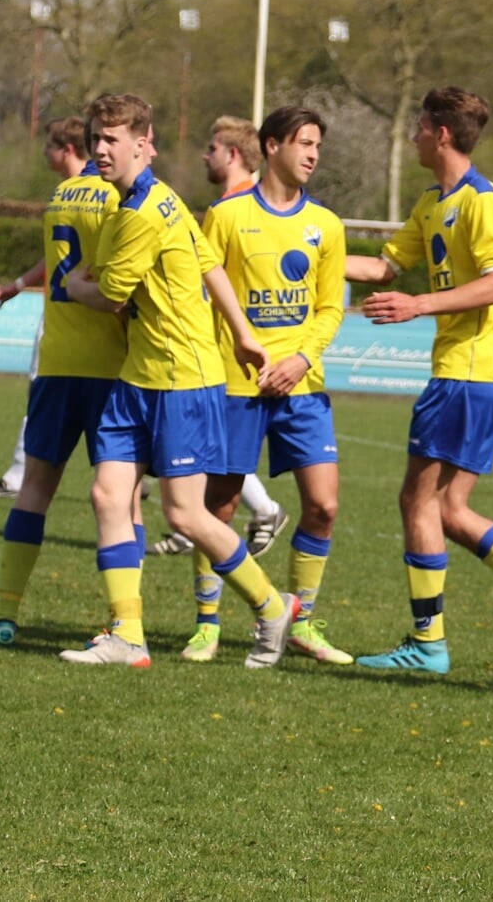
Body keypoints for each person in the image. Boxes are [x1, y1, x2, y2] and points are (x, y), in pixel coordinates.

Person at [342, 86, 493, 676]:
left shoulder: (484, 203)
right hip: (468, 377)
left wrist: (418, 305)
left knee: (416, 500)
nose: (414, 137)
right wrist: (301, 247)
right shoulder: (433, 202)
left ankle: (428, 644)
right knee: (449, 510)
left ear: (442, 134)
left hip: (468, 374)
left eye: (420, 127)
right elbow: (381, 266)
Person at [60, 93, 296, 669]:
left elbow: (111, 297)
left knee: (186, 517)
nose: (100, 149)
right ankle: (129, 636)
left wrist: (71, 284)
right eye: (96, 138)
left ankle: (271, 606)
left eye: (112, 140)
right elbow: (210, 262)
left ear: (144, 144)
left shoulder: (143, 213)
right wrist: (241, 332)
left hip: (182, 380)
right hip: (136, 377)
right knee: (107, 495)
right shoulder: (152, 201)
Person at [184, 106, 352, 666]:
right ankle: (207, 624)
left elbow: (331, 307)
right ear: (273, 145)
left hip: (303, 385)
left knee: (323, 506)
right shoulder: (226, 216)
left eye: (317, 146)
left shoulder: (327, 225)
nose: (312, 154)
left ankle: (301, 621)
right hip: (236, 385)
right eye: (304, 143)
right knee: (220, 507)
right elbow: (206, 293)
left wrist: (302, 359)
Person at [0, 117, 145, 645]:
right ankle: (125, 621)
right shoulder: (123, 200)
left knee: (35, 489)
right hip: (112, 367)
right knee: (125, 500)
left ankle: (4, 613)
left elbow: (58, 260)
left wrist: (22, 282)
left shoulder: (62, 195)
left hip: (56, 362)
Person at [145, 114, 289, 553]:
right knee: (213, 448)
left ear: (231, 155)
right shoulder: (225, 208)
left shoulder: (246, 209)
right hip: (218, 351)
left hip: (233, 358)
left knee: (219, 449)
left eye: (210, 149)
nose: (204, 156)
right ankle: (198, 524)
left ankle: (254, 514)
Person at [0, 117, 94, 500]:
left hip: (66, 316)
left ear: (67, 150)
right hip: (87, 312)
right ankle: (130, 473)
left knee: (43, 392)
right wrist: (17, 285)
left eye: (49, 146)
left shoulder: (74, 194)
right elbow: (58, 257)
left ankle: (18, 476)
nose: (43, 153)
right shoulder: (92, 189)